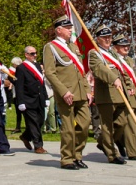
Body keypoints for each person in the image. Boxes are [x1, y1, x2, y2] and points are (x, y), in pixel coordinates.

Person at [43, 15, 91, 170]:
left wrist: (88, 90)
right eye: (68, 28)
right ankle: (67, 159)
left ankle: (77, 155)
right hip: (67, 94)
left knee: (84, 124)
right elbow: (50, 73)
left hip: (81, 93)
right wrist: (63, 91)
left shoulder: (74, 47)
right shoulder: (51, 47)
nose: (71, 30)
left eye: (71, 28)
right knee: (68, 128)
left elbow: (80, 71)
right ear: (59, 30)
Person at [87, 25, 125, 164]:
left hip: (119, 93)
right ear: (98, 39)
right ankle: (112, 154)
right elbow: (99, 69)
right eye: (104, 37)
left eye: (109, 37)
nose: (108, 39)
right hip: (106, 93)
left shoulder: (114, 53)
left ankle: (103, 141)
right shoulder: (94, 53)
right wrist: (113, 78)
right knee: (107, 125)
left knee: (121, 123)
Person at [14, 45, 47, 154]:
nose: (35, 55)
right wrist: (21, 102)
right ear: (26, 55)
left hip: (39, 99)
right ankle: (38, 146)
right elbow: (19, 86)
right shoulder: (21, 68)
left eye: (35, 53)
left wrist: (45, 96)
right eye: (32, 54)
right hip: (28, 100)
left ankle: (25, 136)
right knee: (33, 123)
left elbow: (41, 83)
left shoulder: (37, 65)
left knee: (40, 121)